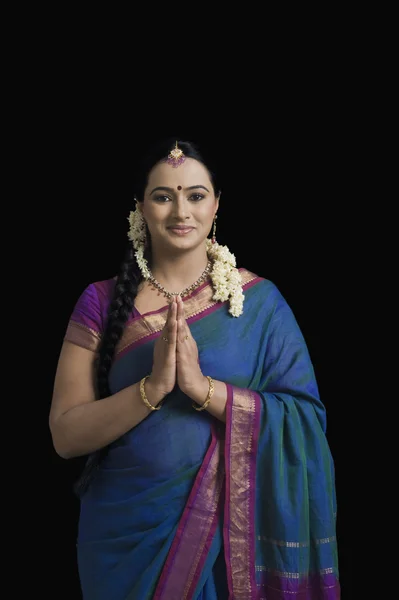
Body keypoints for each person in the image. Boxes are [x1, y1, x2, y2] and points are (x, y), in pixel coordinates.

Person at [49, 139, 340, 599]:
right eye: (163, 196)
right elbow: (65, 436)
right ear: (140, 208)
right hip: (123, 536)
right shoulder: (100, 302)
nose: (180, 211)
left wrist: (202, 389)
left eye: (196, 195)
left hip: (229, 539)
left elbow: (304, 420)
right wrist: (153, 387)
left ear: (217, 204)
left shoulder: (261, 304)